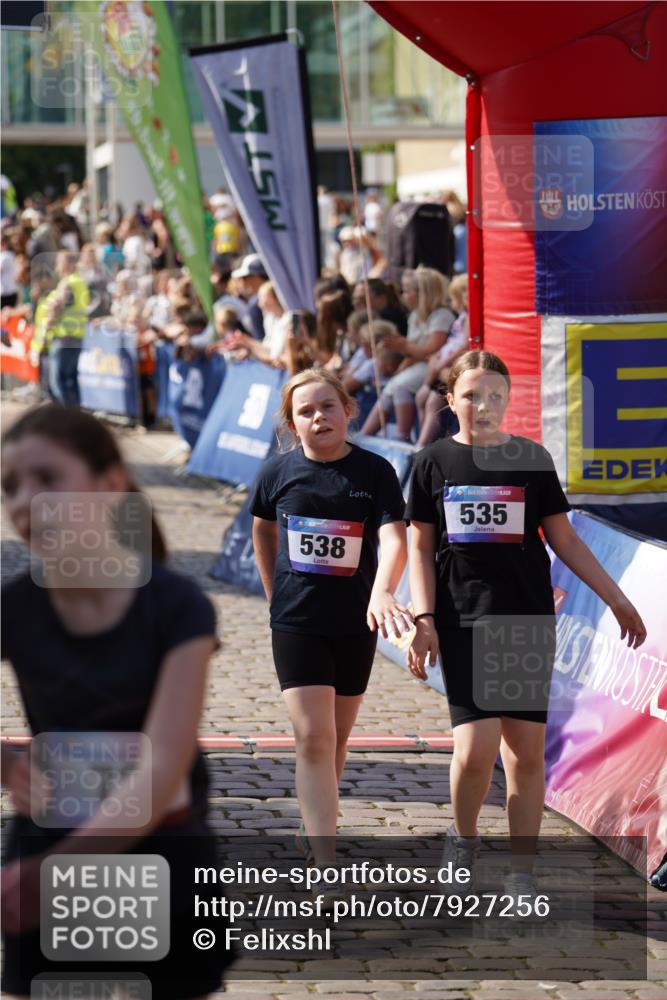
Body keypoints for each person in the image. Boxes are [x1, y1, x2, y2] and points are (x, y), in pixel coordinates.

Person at [0, 404, 232, 997]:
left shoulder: (178, 607)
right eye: (10, 487)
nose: (25, 500)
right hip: (50, 841)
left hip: (162, 853)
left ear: (110, 484)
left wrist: (58, 876)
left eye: (48, 478)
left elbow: (161, 767)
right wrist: (6, 763)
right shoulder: (15, 607)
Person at [406, 350, 647, 892]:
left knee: (525, 752)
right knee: (474, 751)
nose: (483, 405)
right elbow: (419, 549)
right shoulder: (432, 464)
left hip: (524, 621)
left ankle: (522, 871)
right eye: (471, 395)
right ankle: (463, 839)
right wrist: (424, 618)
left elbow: (564, 540)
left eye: (494, 395)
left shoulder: (531, 460)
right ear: (450, 401)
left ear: (508, 399)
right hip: (462, 618)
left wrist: (616, 598)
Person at [249, 370, 411, 878]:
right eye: (306, 411)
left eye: (328, 406)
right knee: (314, 738)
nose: (319, 417)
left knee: (337, 738)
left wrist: (383, 589)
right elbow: (262, 530)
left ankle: (317, 821)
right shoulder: (277, 473)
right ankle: (325, 860)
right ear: (292, 423)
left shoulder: (375, 472)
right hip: (297, 623)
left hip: (354, 622)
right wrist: (275, 596)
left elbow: (395, 539)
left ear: (348, 410)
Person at [361, 266, 454, 441]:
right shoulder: (414, 316)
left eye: (407, 291)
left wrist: (404, 347)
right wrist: (403, 360)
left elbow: (433, 349)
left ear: (422, 294)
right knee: (391, 386)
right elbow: (413, 351)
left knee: (400, 386)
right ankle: (366, 435)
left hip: (432, 366)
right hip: (420, 364)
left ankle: (403, 437)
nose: (403, 296)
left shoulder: (441, 315)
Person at [415, 273, 469, 447]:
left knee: (432, 402)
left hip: (452, 365)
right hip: (444, 363)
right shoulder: (461, 318)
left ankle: (424, 444)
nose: (451, 303)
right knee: (423, 399)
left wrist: (443, 362)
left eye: (453, 299)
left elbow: (465, 345)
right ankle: (423, 440)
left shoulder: (468, 319)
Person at [44, 250, 90, 406]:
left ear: (69, 264)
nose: (57, 267)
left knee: (58, 382)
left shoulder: (67, 283)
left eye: (60, 263)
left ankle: (67, 421)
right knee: (71, 380)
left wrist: (46, 329)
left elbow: (57, 307)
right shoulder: (81, 282)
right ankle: (77, 419)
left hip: (64, 338)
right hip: (77, 337)